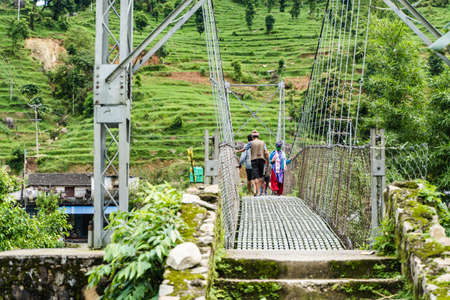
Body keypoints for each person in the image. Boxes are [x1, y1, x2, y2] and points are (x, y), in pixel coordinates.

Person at [237, 130, 269, 196]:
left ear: (252, 137)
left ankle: (258, 192)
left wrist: (237, 151)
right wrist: (267, 161)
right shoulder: (263, 142)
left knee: (255, 177)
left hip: (254, 160)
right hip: (262, 160)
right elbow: (266, 152)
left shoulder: (251, 143)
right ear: (258, 136)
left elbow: (244, 150)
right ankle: (259, 192)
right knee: (260, 176)